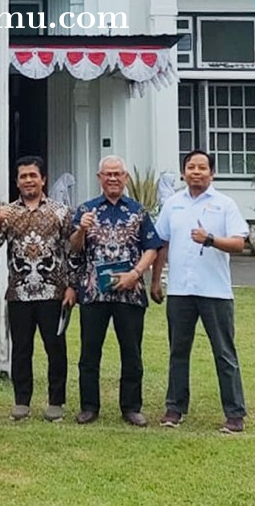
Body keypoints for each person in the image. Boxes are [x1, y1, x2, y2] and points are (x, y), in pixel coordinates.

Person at [150, 149, 250, 434]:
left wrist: (210, 239)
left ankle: (234, 414)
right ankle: (174, 408)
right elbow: (162, 243)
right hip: (180, 290)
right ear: (183, 173)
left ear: (212, 173)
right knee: (178, 351)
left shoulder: (224, 204)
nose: (196, 172)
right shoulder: (173, 204)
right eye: (191, 167)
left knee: (224, 353)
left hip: (215, 291)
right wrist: (156, 280)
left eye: (202, 168)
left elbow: (239, 243)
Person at [69, 154, 162, 427]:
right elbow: (74, 249)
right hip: (94, 292)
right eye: (107, 174)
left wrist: (136, 274)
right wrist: (81, 230)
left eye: (117, 174)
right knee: (89, 353)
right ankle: (89, 406)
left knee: (131, 353)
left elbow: (152, 248)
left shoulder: (138, 211)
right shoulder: (86, 209)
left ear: (126, 178)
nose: (112, 178)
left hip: (129, 292)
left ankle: (131, 407)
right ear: (99, 178)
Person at [0, 155, 75, 422]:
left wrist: (72, 285)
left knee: (55, 348)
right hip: (19, 292)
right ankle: (21, 401)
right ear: (17, 182)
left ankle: (56, 401)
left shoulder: (60, 211)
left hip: (53, 291)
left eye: (33, 175)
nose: (28, 181)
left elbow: (72, 250)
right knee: (21, 348)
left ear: (43, 179)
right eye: (23, 177)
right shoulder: (9, 212)